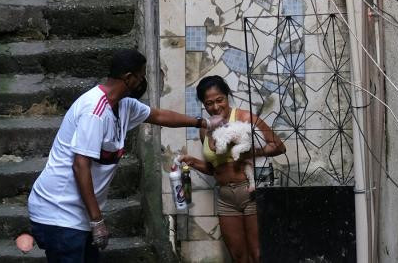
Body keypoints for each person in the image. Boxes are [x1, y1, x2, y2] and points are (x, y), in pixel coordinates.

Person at [24, 49, 206, 262]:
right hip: (59, 211)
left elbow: (159, 115)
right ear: (128, 78)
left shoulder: (124, 106)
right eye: (141, 75)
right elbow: (80, 166)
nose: (143, 81)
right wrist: (97, 221)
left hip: (78, 215)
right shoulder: (95, 111)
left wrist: (201, 123)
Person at [179, 76, 285, 263]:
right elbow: (215, 169)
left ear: (227, 96)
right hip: (226, 198)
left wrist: (248, 153)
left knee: (259, 255)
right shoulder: (205, 130)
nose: (215, 107)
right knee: (237, 256)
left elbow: (278, 146)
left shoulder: (245, 118)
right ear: (204, 105)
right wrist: (193, 162)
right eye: (209, 103)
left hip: (251, 192)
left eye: (220, 100)